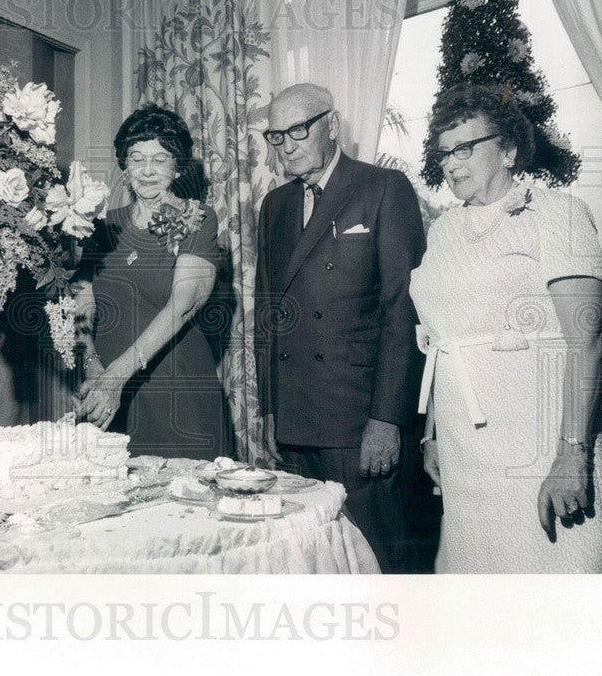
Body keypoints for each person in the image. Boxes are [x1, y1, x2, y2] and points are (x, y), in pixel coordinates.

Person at [410, 82, 602, 573]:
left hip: (540, 443)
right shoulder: (443, 232)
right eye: (443, 152)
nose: (450, 163)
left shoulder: (558, 215)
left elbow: (587, 341)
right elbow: (446, 341)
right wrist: (433, 435)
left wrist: (573, 456)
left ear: (508, 149)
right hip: (468, 455)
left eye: (464, 148)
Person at [254, 83, 426, 573]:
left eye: (298, 130)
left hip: (358, 420)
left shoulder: (382, 189)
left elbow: (403, 309)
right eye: (275, 135)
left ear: (331, 125)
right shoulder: (275, 206)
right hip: (296, 419)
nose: (285, 145)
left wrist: (388, 419)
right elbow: (268, 312)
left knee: (376, 557)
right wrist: (269, 409)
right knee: (312, 560)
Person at [74, 105, 231, 460]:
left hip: (177, 392)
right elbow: (80, 301)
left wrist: (116, 376)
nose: (147, 170)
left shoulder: (198, 218)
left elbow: (184, 303)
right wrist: (92, 365)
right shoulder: (102, 225)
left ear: (177, 168)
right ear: (124, 166)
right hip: (105, 394)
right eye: (136, 158)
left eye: (159, 160)